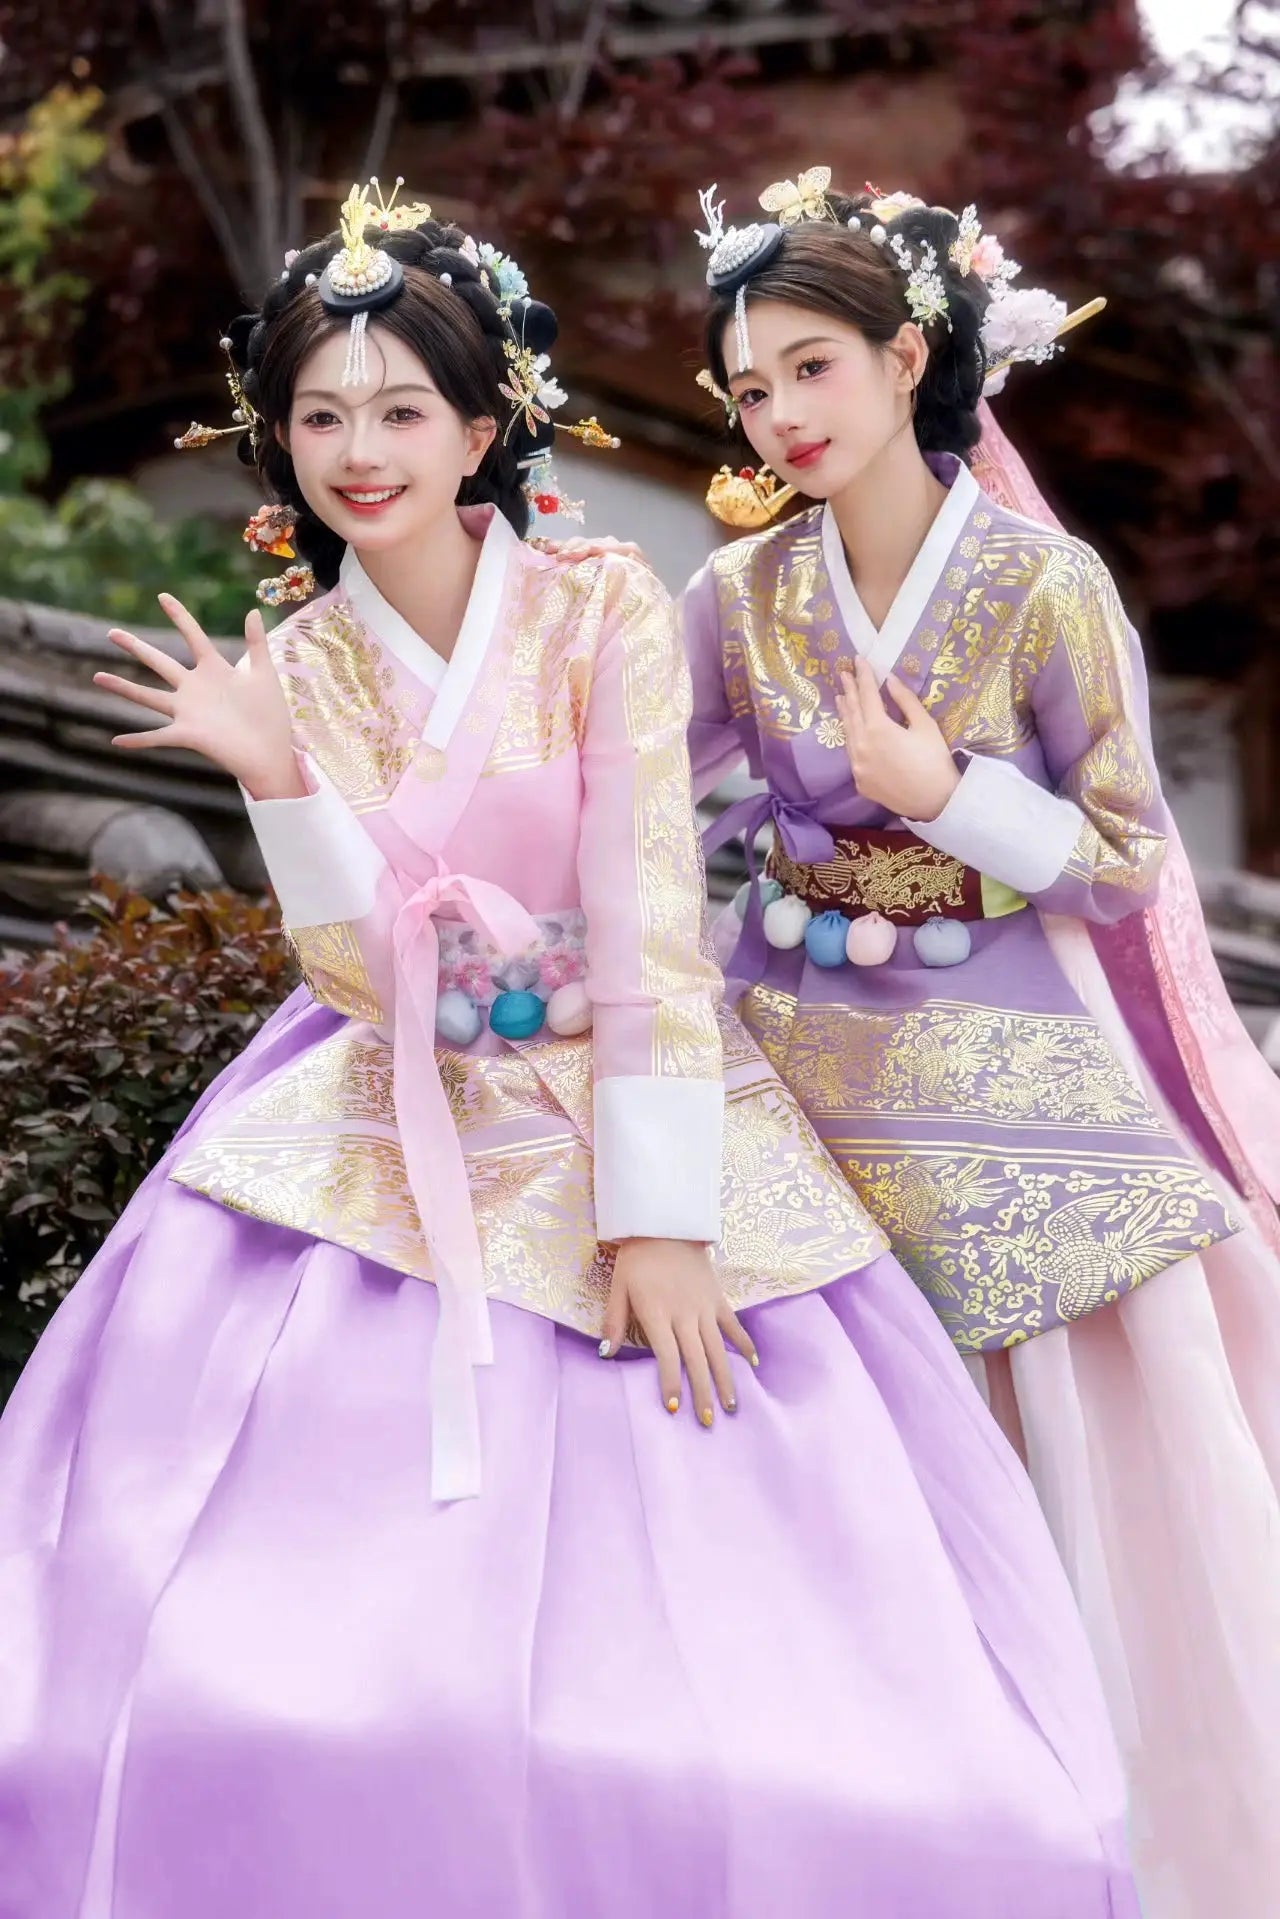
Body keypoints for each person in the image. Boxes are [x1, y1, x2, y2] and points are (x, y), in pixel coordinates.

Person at [0, 184, 1138, 1919]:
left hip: (637, 1083)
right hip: (384, 1104)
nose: (360, 452)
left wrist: (659, 1214)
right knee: (215, 1658)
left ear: (483, 423)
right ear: (272, 439)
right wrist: (277, 779)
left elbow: (652, 910)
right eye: (319, 414)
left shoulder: (604, 604)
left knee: (799, 1692)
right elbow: (356, 976)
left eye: (401, 410)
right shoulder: (298, 661)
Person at [677, 169, 1280, 1919]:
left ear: (907, 353)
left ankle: (1085, 1826)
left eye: (812, 367)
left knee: (1068, 1404)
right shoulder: (734, 593)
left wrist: (950, 795)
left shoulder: (1042, 583)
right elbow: (650, 795)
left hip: (999, 1030)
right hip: (791, 1024)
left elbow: (1124, 859)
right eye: (751, 383)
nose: (780, 413)